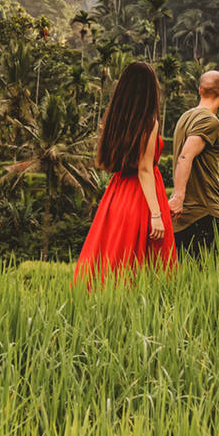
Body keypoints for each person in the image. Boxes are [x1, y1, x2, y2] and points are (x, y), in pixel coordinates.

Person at [74, 61, 176, 283]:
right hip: (141, 195)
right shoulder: (150, 122)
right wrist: (157, 215)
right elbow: (145, 170)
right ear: (150, 90)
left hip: (117, 194)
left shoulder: (117, 119)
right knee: (146, 263)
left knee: (114, 254)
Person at [167, 70, 219, 259]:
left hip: (181, 221)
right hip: (205, 215)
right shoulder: (210, 121)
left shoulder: (185, 118)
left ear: (200, 90)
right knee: (213, 284)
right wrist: (178, 197)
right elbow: (185, 156)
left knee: (184, 284)